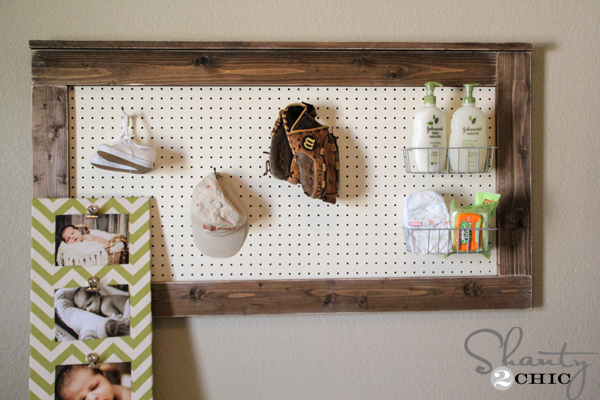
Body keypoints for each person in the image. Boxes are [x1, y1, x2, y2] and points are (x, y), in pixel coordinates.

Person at [55, 365, 131, 400]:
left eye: (95, 387)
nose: (92, 398)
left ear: (103, 375)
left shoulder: (122, 393)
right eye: (83, 399)